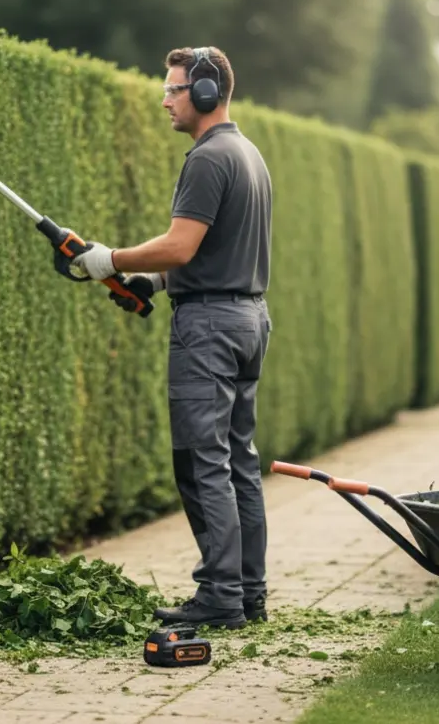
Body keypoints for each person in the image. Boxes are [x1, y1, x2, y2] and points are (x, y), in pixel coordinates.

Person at [71, 46, 273, 629]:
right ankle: (248, 593)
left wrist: (108, 258)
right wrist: (152, 281)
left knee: (202, 464)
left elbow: (182, 245)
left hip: (208, 328)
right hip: (247, 318)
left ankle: (218, 597)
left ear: (207, 93)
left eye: (174, 89)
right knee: (238, 461)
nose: (164, 99)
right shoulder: (249, 154)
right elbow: (209, 251)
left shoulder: (208, 159)